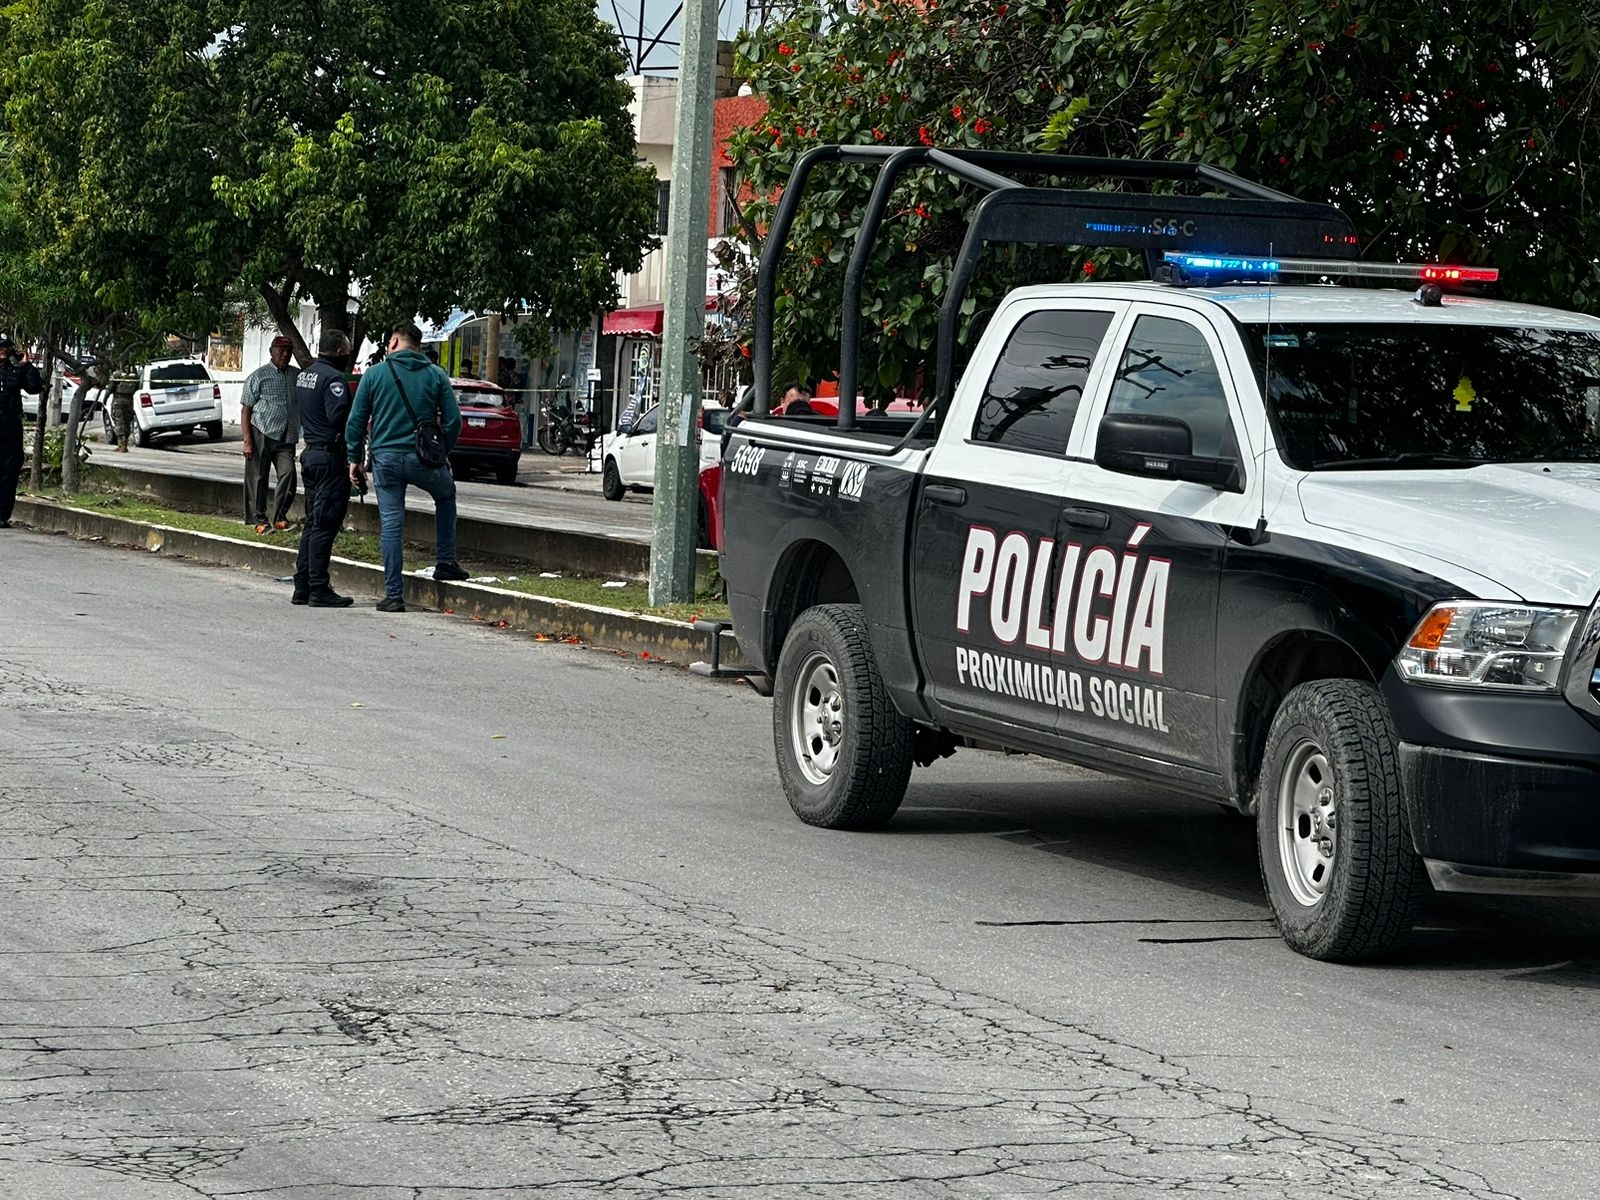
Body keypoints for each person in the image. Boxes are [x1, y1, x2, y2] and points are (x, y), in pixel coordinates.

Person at [346, 321, 468, 613]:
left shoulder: (374, 374)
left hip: (385, 459)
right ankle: (445, 561)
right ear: (419, 346)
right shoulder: (436, 375)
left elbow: (356, 421)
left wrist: (355, 459)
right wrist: (442, 452)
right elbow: (454, 421)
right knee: (446, 494)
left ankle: (393, 594)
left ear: (394, 343)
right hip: (423, 459)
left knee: (391, 523)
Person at [290, 329, 357, 608]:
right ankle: (319, 587)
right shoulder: (334, 379)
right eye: (348, 351)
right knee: (325, 524)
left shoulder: (308, 373)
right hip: (329, 456)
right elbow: (338, 416)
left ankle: (302, 585)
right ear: (340, 352)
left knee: (313, 522)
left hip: (311, 455)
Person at [241, 335, 300, 532]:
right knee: (258, 478)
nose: (285, 354)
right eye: (281, 350)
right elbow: (246, 410)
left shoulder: (297, 376)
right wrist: (247, 441)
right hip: (262, 432)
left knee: (289, 474)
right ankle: (259, 520)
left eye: (288, 351)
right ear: (271, 351)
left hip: (287, 435)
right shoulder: (258, 376)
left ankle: (280, 517)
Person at [0, 338, 43, 528]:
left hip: (9, 426)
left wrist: (26, 363)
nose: (2, 351)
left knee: (9, 470)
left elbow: (34, 387)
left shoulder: (15, 370)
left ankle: (2, 515)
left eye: (5, 348)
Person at [109, 363, 138, 451]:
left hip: (118, 401)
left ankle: (121, 445)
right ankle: (124, 444)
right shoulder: (134, 375)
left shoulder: (117, 374)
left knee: (119, 422)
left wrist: (105, 398)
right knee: (127, 421)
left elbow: (110, 388)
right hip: (129, 401)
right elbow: (137, 387)